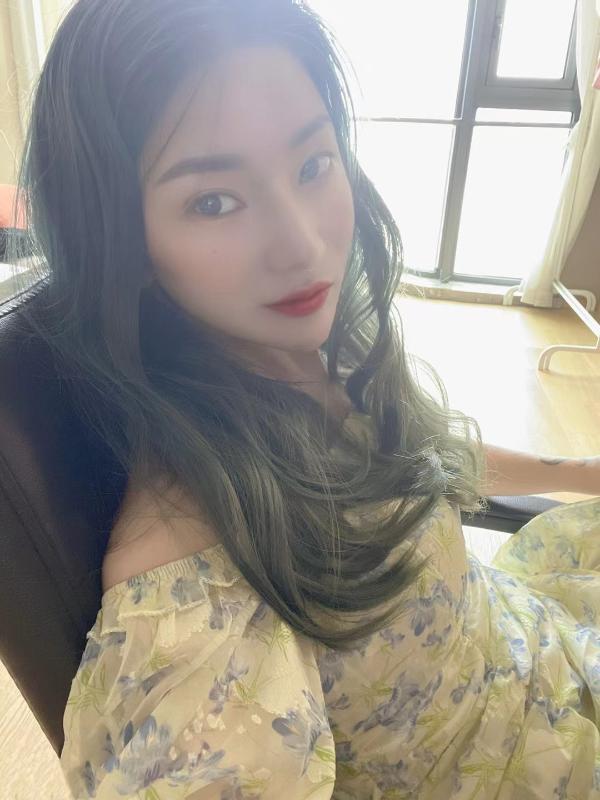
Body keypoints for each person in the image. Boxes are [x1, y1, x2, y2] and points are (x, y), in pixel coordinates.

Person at [10, 0, 600, 797]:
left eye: (312, 163)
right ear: (122, 239)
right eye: (213, 201)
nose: (303, 244)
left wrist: (582, 472)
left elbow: (417, 454)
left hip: (537, 644)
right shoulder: (193, 593)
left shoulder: (297, 346)